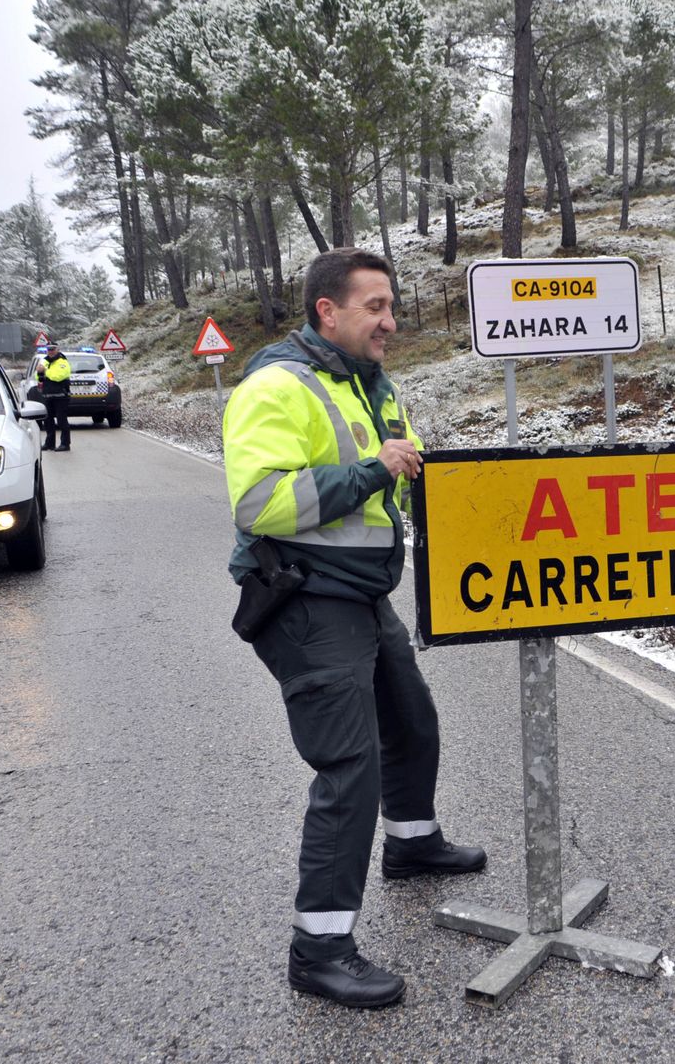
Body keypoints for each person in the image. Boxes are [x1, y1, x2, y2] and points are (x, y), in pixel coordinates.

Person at [221, 247, 486, 1009]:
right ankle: (320, 949)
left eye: (391, 306)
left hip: (362, 591)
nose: (391, 321)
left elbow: (395, 472)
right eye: (375, 307)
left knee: (411, 719)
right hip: (305, 600)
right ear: (325, 312)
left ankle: (411, 843)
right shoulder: (275, 386)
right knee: (348, 767)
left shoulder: (371, 383)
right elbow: (261, 502)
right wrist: (375, 468)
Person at [36, 347, 72, 451]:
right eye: (49, 349)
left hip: (61, 396)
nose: (51, 351)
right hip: (48, 396)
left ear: (57, 350)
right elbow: (38, 377)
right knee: (47, 421)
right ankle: (49, 443)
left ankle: (65, 444)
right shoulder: (45, 360)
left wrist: (45, 371)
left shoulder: (62, 362)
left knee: (61, 420)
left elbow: (59, 376)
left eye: (53, 349)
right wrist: (39, 373)